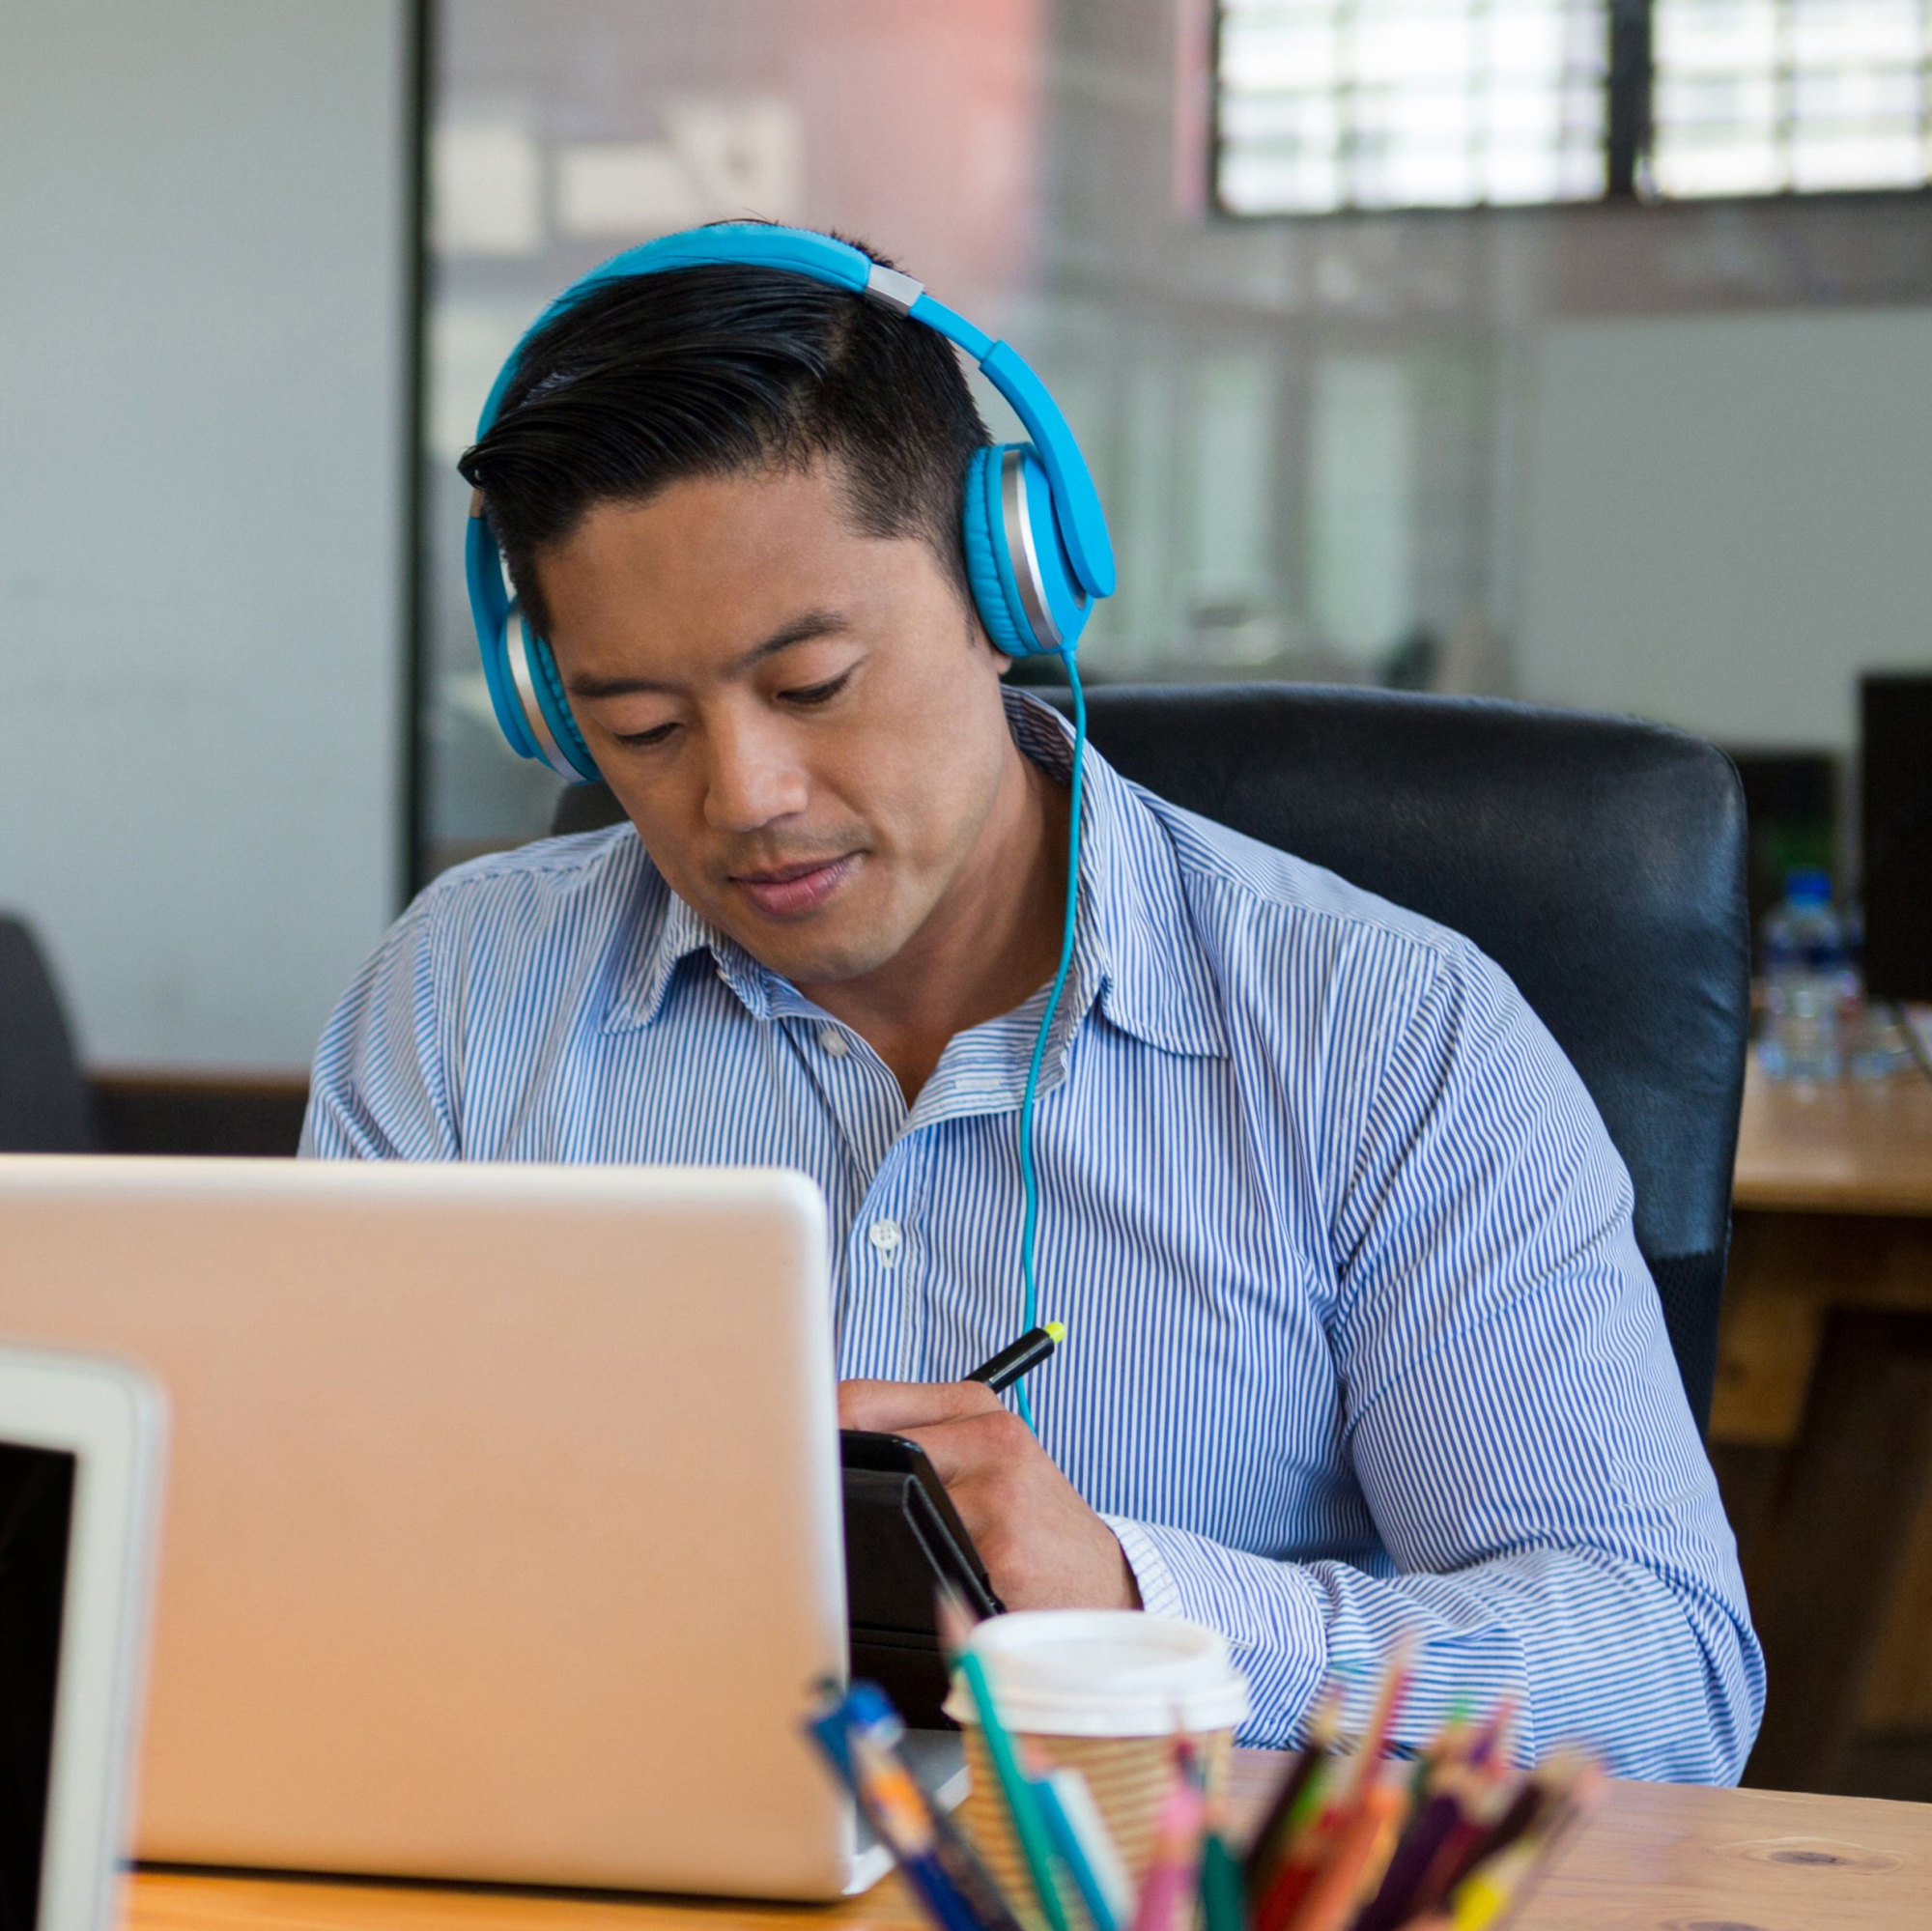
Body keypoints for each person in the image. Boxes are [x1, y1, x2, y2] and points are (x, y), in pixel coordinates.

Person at [303, 228, 1762, 1781]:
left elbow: (1665, 1674)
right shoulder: (462, 994)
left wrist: (1144, 1606)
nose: (748, 795)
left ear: (1011, 583)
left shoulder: (1389, 1038)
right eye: (641, 724)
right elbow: (297, 1521)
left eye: (812, 687)